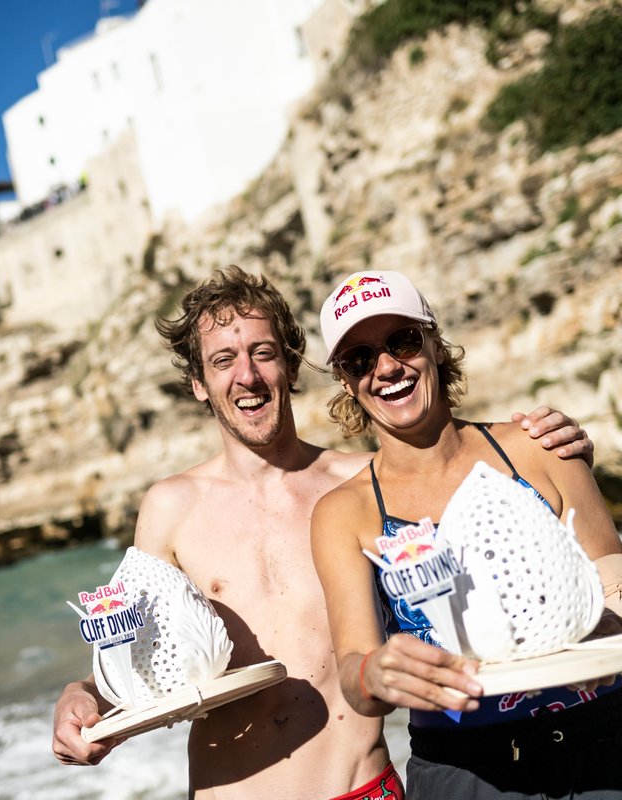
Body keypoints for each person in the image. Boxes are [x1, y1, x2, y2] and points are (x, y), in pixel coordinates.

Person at [52, 266, 594, 799]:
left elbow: (491, 550)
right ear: (198, 383)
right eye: (223, 361)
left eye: (263, 353)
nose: (247, 375)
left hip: (361, 788)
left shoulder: (361, 490)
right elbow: (144, 660)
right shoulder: (170, 507)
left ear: (289, 365)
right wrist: (84, 695)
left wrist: (565, 458)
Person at [311, 270, 622, 799]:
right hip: (467, 775)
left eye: (402, 341)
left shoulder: (540, 447)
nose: (386, 367)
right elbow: (358, 678)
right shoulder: (345, 512)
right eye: (360, 359)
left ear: (435, 345)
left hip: (606, 747)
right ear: (346, 382)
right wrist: (378, 674)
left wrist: (603, 634)